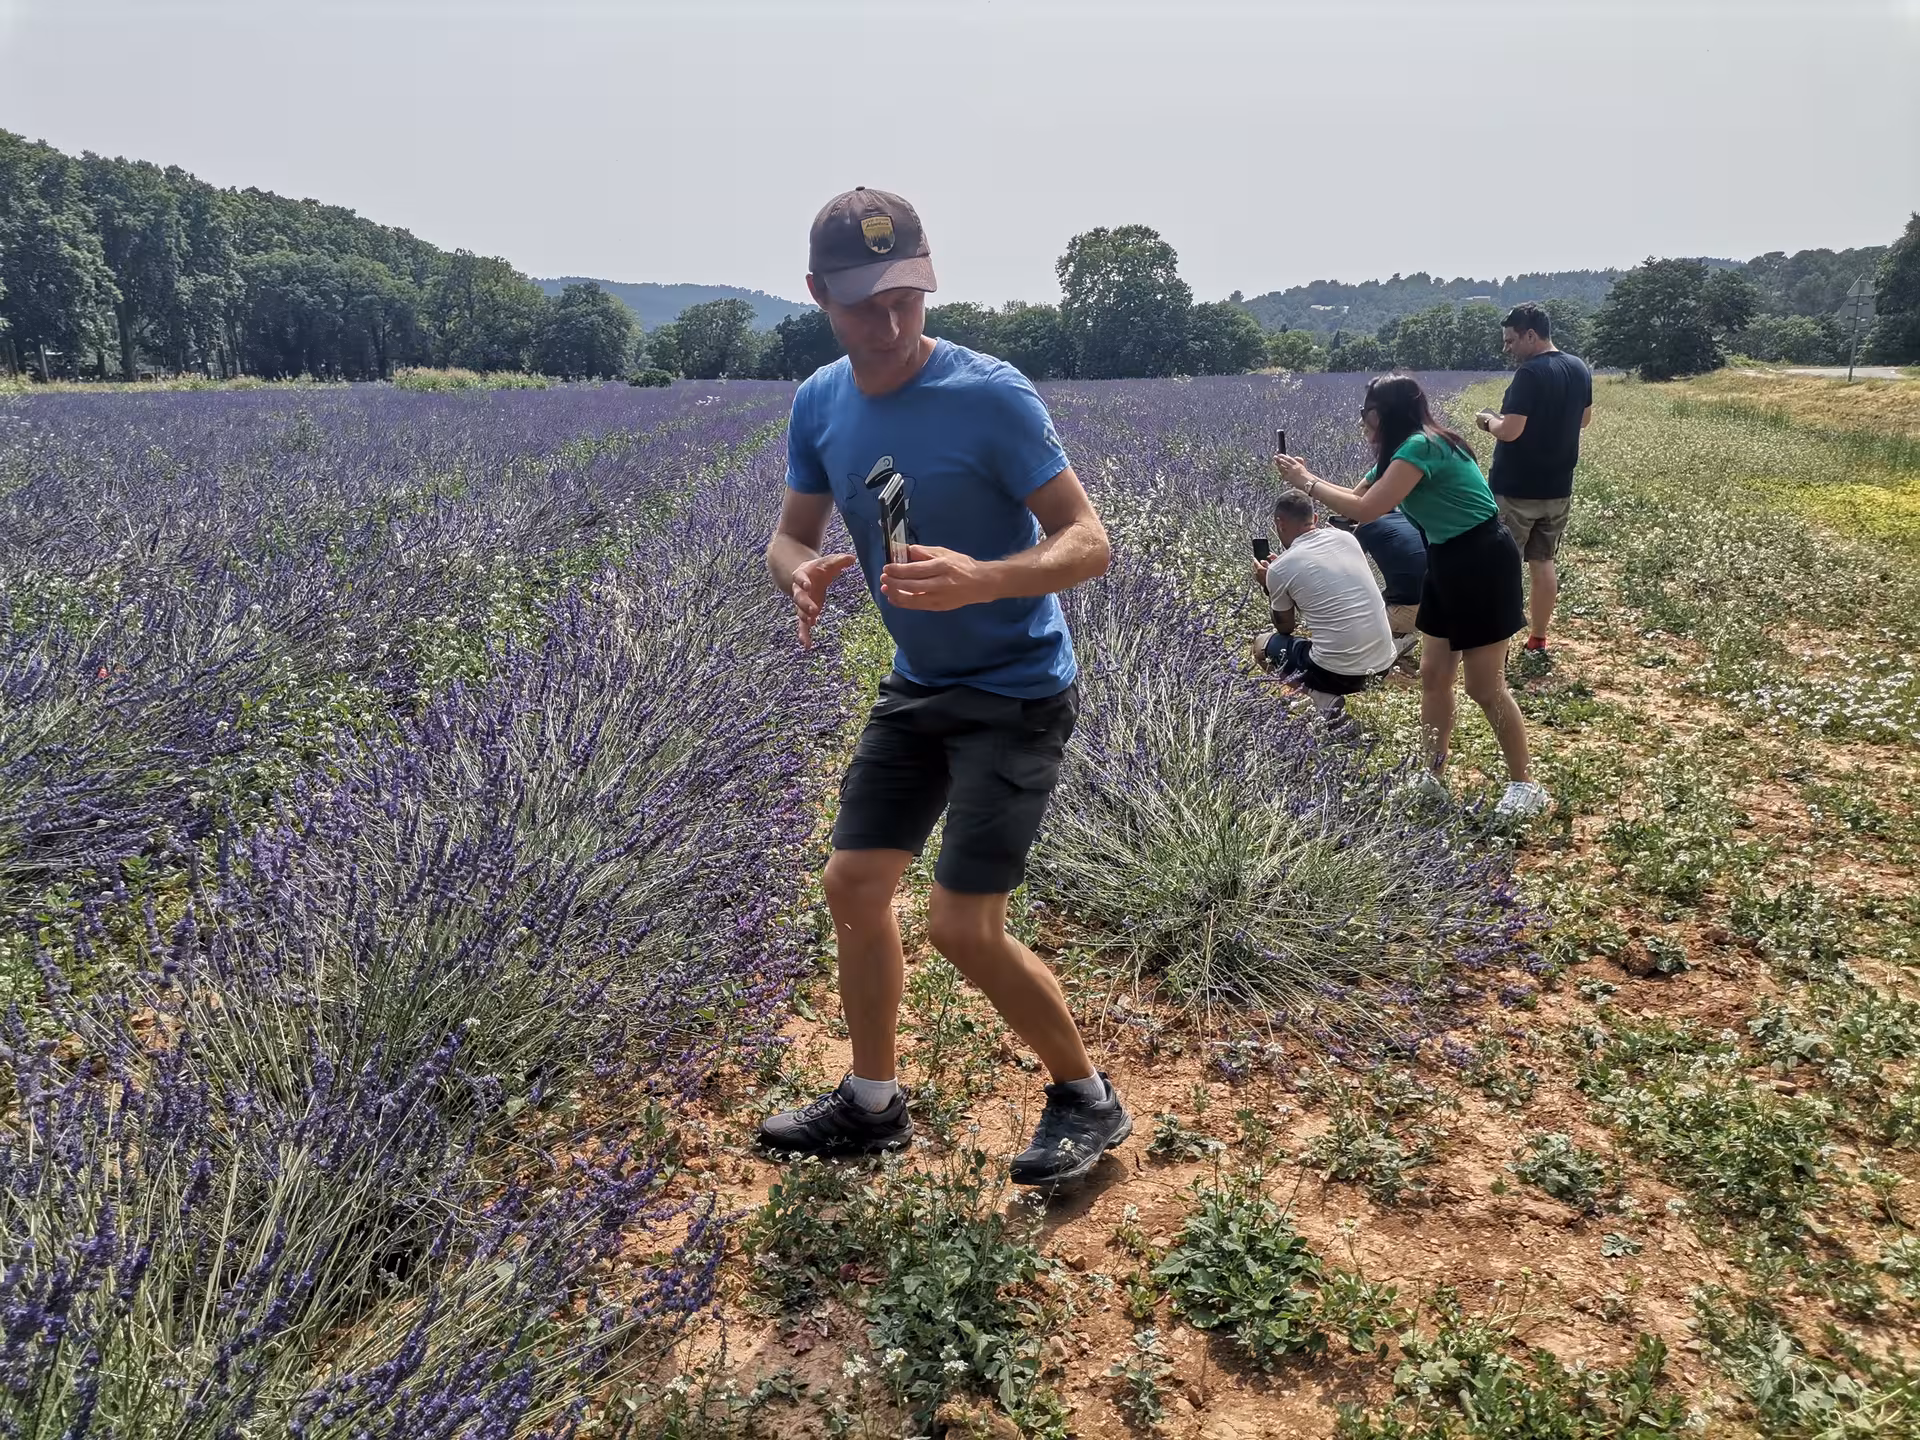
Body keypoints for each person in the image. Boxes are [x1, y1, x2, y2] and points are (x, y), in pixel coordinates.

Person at [759, 186, 1132, 1185]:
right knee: (852, 884)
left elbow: (1090, 541)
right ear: (816, 297)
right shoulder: (820, 402)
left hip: (1016, 687)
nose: (888, 323)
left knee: (962, 927)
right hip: (921, 683)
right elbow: (791, 530)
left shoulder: (992, 394)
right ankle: (873, 1106)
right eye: (862, 304)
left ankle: (1087, 1099)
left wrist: (987, 576)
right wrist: (796, 569)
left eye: (907, 299)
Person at [1275, 375, 1549, 819]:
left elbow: (1366, 511)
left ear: (1381, 414)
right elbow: (1356, 499)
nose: (1363, 423)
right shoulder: (1399, 454)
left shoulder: (1422, 446)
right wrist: (1309, 482)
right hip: (1445, 558)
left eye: (1366, 413)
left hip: (1480, 560)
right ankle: (1432, 775)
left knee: (1484, 686)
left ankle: (1525, 784)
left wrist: (1306, 481)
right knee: (1433, 676)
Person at [1474, 303, 1593, 662]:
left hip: (1517, 489)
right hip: (1558, 488)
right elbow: (1584, 420)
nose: (1507, 349)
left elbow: (1510, 431)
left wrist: (1486, 420)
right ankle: (1538, 639)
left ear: (1530, 335)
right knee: (1543, 563)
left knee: (1503, 568)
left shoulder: (1529, 374)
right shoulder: (1579, 368)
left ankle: (1499, 646)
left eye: (1511, 341)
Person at [1250, 491, 1399, 717]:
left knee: (1262, 646)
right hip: (1383, 665)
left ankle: (1323, 698)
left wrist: (1270, 584)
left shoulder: (1280, 569)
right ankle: (1326, 691)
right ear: (1316, 519)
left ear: (1279, 523)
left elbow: (1285, 629)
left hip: (1340, 674)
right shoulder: (1347, 538)